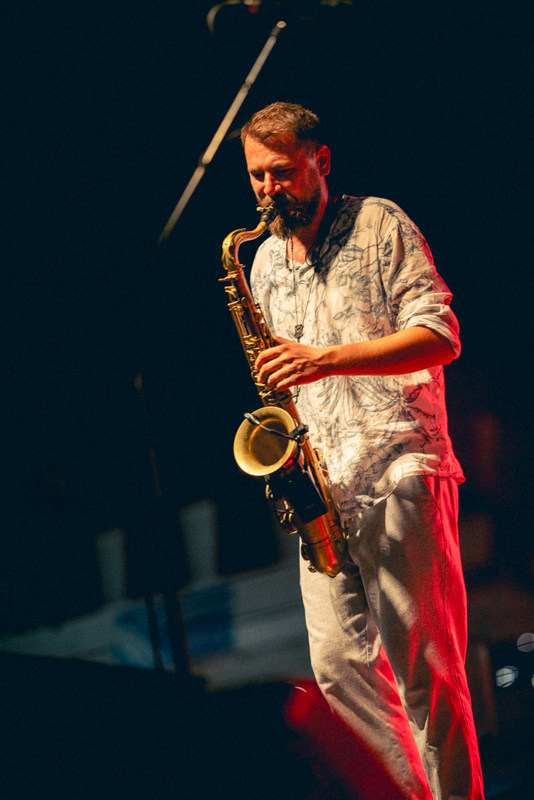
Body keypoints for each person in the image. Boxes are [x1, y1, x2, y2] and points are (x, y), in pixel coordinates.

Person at [239, 102, 485, 800]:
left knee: (427, 676)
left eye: (282, 172)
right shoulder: (261, 262)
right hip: (324, 487)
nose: (268, 190)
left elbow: (440, 335)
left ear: (320, 160)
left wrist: (324, 360)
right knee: (339, 674)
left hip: (400, 466)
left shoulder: (379, 223)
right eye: (256, 176)